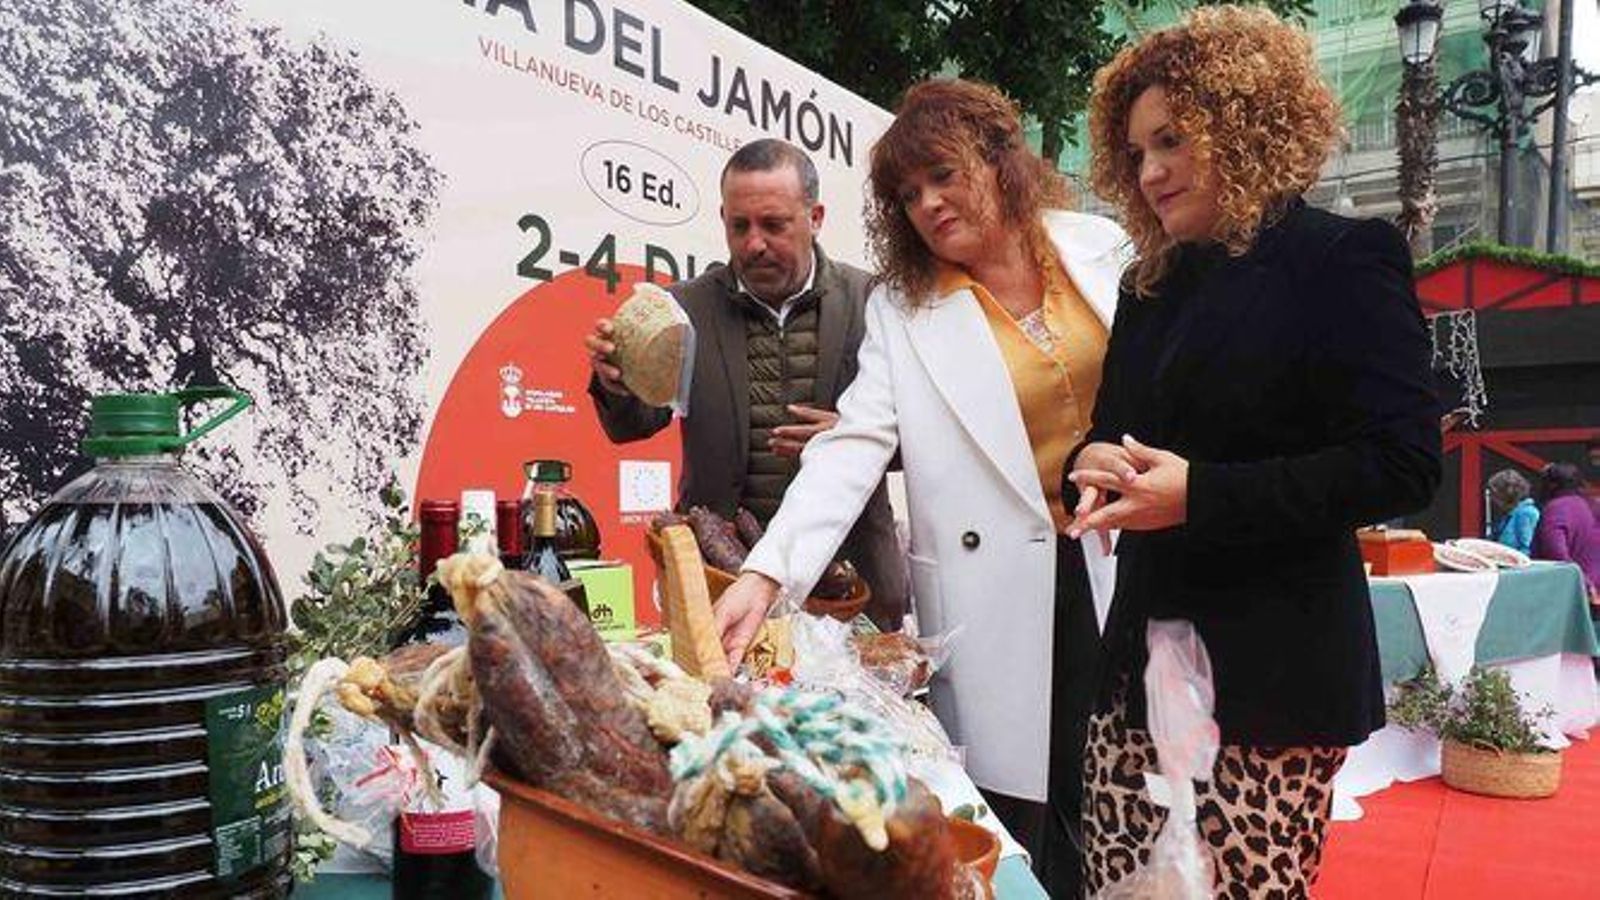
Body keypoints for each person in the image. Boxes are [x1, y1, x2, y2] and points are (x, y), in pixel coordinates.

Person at [712, 79, 1129, 897]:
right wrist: (765, 573)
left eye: (944, 175)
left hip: (1123, 560)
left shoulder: (1103, 249)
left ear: (1002, 160)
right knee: (1023, 816)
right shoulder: (903, 310)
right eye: (908, 194)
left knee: (1123, 789)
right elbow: (851, 446)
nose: (928, 204)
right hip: (996, 589)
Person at [1070, 7, 1441, 896]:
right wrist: (1087, 468)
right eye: (1136, 153)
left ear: (1245, 125)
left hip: (1272, 682)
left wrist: (1200, 495)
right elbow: (1109, 431)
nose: (1149, 173)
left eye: (1170, 141)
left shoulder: (1343, 258)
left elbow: (1403, 462)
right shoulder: (1149, 284)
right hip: (1139, 671)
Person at [584, 138, 908, 628]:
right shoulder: (683, 309)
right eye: (740, 226)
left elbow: (926, 437)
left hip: (850, 584)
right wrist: (617, 384)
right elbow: (634, 425)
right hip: (716, 582)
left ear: (815, 217)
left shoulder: (873, 301)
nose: (754, 244)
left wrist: (854, 438)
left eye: (774, 225)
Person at [1532, 463, 1599, 600]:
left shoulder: (1556, 509)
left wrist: (1585, 584)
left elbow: (1555, 553)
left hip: (1574, 596)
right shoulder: (1592, 505)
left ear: (1552, 485)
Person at [1487, 468, 1539, 554]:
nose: (1492, 499)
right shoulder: (1508, 515)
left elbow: (1526, 548)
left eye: (1494, 494)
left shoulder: (1525, 514)